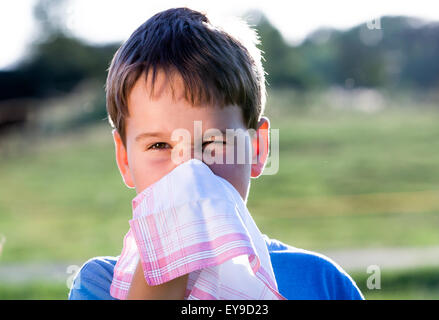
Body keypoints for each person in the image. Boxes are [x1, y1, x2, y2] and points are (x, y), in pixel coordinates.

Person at [68, 7, 363, 300]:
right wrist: (167, 256)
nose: (189, 173)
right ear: (125, 160)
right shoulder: (100, 286)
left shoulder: (322, 284)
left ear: (257, 148)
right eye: (159, 146)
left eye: (213, 144)